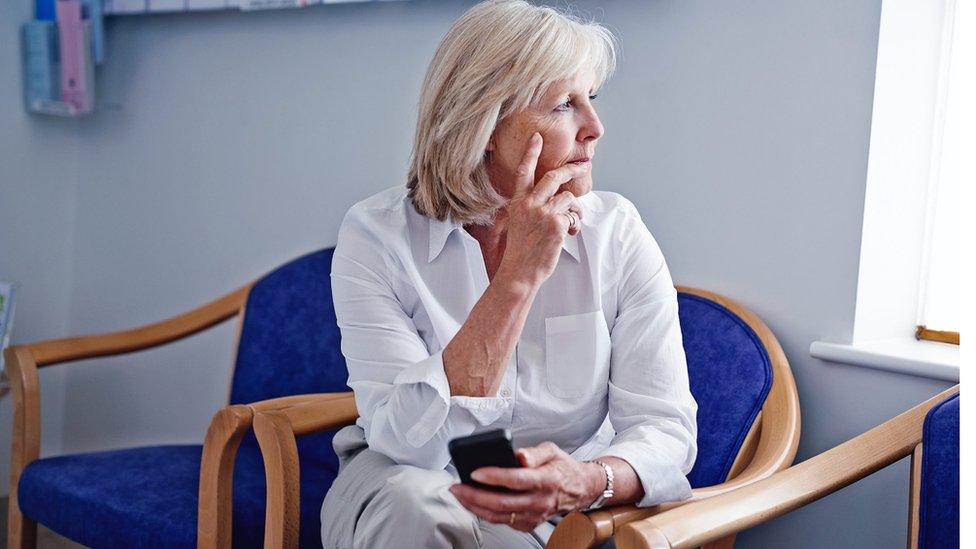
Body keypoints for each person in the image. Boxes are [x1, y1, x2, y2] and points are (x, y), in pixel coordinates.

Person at [321, 1, 698, 547]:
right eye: (565, 105)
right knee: (416, 504)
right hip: (399, 487)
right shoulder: (376, 237)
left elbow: (666, 429)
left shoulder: (616, 233)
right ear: (486, 125)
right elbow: (408, 446)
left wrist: (587, 480)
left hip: (556, 514)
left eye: (591, 99)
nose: (595, 127)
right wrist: (517, 278)